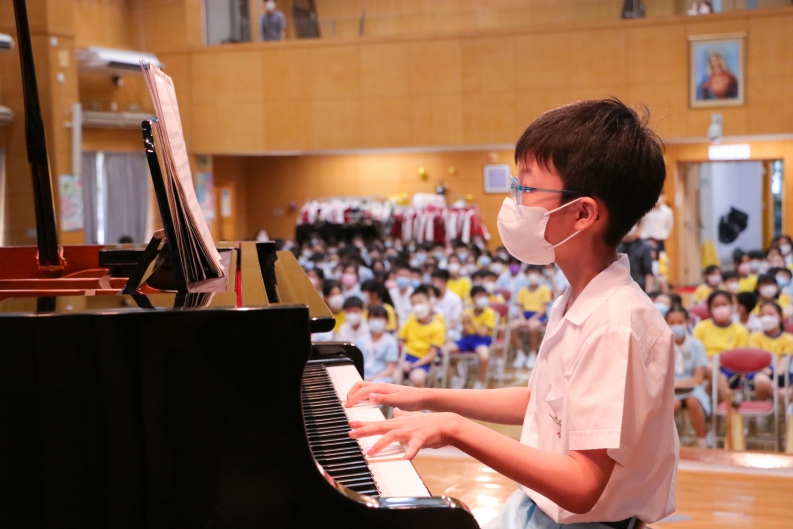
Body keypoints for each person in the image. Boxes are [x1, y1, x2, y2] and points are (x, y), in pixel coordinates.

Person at [346, 99, 677, 528]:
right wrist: (424, 397)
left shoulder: (615, 326)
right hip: (534, 510)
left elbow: (581, 486)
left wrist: (454, 429)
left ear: (582, 213)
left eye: (527, 189)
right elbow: (540, 403)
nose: (515, 202)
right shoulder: (577, 297)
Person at [667, 307, 711, 449]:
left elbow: (698, 378)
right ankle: (666, 444)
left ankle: (702, 441)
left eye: (680, 322)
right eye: (672, 323)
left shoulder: (697, 345)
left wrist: (678, 383)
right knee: (673, 404)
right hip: (670, 389)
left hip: (693, 388)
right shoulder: (663, 346)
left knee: (693, 401)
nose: (676, 326)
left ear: (687, 322)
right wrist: (672, 385)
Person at [693, 290, 748, 402]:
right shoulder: (701, 327)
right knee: (710, 369)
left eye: (724, 304)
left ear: (731, 306)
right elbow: (694, 353)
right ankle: (730, 409)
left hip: (729, 370)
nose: (721, 308)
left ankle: (721, 409)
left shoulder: (741, 330)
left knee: (710, 385)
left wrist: (719, 360)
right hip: (704, 368)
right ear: (710, 309)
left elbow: (741, 358)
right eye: (716, 305)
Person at [446, 286, 497, 390]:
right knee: (444, 350)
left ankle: (480, 382)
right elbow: (465, 334)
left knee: (485, 356)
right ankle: (455, 379)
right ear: (472, 298)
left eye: (484, 296)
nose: (483, 298)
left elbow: (482, 333)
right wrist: (465, 324)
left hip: (482, 340)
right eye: (479, 296)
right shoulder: (467, 312)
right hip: (468, 339)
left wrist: (471, 322)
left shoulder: (490, 312)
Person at [397, 286, 445, 388]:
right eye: (414, 304)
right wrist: (403, 362)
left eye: (420, 302)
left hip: (423, 360)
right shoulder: (410, 319)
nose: (417, 307)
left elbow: (432, 354)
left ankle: (423, 398)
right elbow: (400, 342)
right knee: (394, 376)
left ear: (429, 303)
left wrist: (413, 365)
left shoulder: (437, 327)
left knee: (417, 378)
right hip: (405, 358)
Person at [748, 301, 793, 402]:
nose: (766, 318)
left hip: (781, 374)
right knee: (762, 381)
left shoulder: (789, 339)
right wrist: (770, 375)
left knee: (783, 394)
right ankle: (761, 408)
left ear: (780, 317)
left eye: (770, 314)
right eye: (763, 315)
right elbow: (756, 361)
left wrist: (776, 377)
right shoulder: (754, 336)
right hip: (760, 371)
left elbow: (784, 361)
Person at [511, 265, 552, 369]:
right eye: (530, 272)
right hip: (525, 314)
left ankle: (533, 354)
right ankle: (519, 354)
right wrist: (522, 318)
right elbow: (519, 307)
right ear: (526, 275)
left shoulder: (544, 289)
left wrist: (531, 319)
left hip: (538, 315)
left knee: (532, 327)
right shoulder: (522, 290)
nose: (532, 275)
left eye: (535, 272)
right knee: (513, 326)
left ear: (540, 275)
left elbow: (543, 309)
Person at [356, 305, 400, 383]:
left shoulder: (391, 342)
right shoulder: (361, 340)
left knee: (376, 384)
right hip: (361, 376)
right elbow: (356, 364)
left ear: (387, 321)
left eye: (380, 318)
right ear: (368, 320)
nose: (376, 321)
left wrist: (370, 379)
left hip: (382, 379)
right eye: (373, 318)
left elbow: (390, 370)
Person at [617, 225, 654, 292]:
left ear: (638, 226)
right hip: (618, 287)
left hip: (638, 287)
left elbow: (648, 271)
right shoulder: (614, 246)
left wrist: (649, 291)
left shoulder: (644, 247)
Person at [430, 269, 464, 339]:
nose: (432, 285)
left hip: (451, 331)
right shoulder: (430, 298)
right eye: (432, 282)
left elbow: (454, 322)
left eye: (435, 282)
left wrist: (441, 330)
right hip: (433, 330)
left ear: (444, 283)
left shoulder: (455, 299)